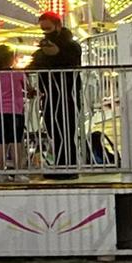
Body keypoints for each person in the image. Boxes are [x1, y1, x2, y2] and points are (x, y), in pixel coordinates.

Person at [29, 13, 83, 172]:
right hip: (49, 95)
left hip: (67, 94)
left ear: (58, 26)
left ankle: (68, 165)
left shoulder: (71, 46)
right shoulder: (44, 49)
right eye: (43, 29)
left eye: (48, 28)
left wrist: (55, 52)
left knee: (66, 130)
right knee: (53, 130)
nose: (46, 32)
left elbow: (69, 61)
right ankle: (61, 164)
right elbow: (35, 64)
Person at [0, 43, 26, 169]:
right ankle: (18, 171)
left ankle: (1, 171)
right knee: (16, 141)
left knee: (1, 142)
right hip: (15, 110)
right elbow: (27, 88)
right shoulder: (17, 74)